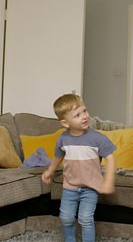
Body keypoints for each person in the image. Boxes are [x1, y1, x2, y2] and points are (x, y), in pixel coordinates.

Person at [41, 94, 116, 242]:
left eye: (85, 111)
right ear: (65, 123)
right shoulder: (63, 139)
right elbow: (58, 157)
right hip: (70, 187)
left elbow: (111, 158)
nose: (84, 116)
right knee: (66, 218)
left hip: (91, 187)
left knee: (85, 218)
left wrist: (108, 181)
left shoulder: (98, 138)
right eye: (77, 115)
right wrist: (49, 171)